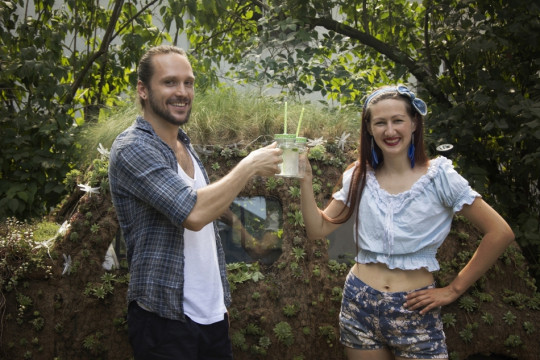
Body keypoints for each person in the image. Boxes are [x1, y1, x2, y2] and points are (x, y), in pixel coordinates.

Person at [299, 85, 515, 360]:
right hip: (359, 302)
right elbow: (318, 229)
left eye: (397, 120)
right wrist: (306, 181)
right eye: (380, 122)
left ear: (414, 123)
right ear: (369, 128)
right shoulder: (358, 175)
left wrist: (453, 290)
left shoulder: (440, 176)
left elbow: (500, 232)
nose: (390, 131)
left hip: (414, 307)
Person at [108, 45, 282, 360]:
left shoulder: (185, 146)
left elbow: (210, 211)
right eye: (170, 82)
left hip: (211, 317)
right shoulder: (132, 148)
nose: (182, 91)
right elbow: (193, 212)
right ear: (143, 90)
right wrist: (249, 165)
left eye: (188, 83)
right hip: (165, 319)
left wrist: (218, 305)